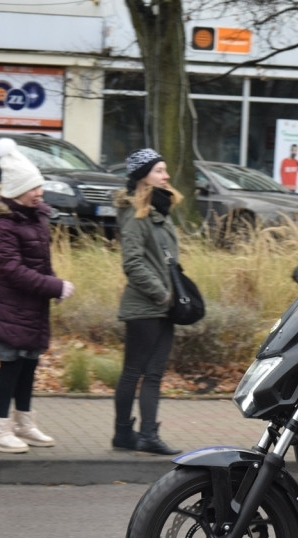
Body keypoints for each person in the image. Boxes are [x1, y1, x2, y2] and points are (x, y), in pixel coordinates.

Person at [0, 138, 75, 454]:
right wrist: (53, 287)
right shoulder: (3, 225)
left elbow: (39, 265)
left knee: (28, 367)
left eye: (40, 186)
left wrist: (51, 284)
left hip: (32, 308)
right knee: (10, 368)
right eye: (34, 188)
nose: (40, 192)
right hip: (10, 309)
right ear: (17, 190)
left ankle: (24, 424)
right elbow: (13, 270)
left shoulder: (36, 219)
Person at [110, 148, 184, 455]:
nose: (166, 176)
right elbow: (133, 263)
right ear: (143, 177)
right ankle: (123, 434)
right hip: (144, 307)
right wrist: (161, 292)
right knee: (134, 371)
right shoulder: (135, 216)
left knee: (153, 373)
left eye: (165, 170)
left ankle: (148, 435)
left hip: (164, 308)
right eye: (159, 171)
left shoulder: (158, 214)